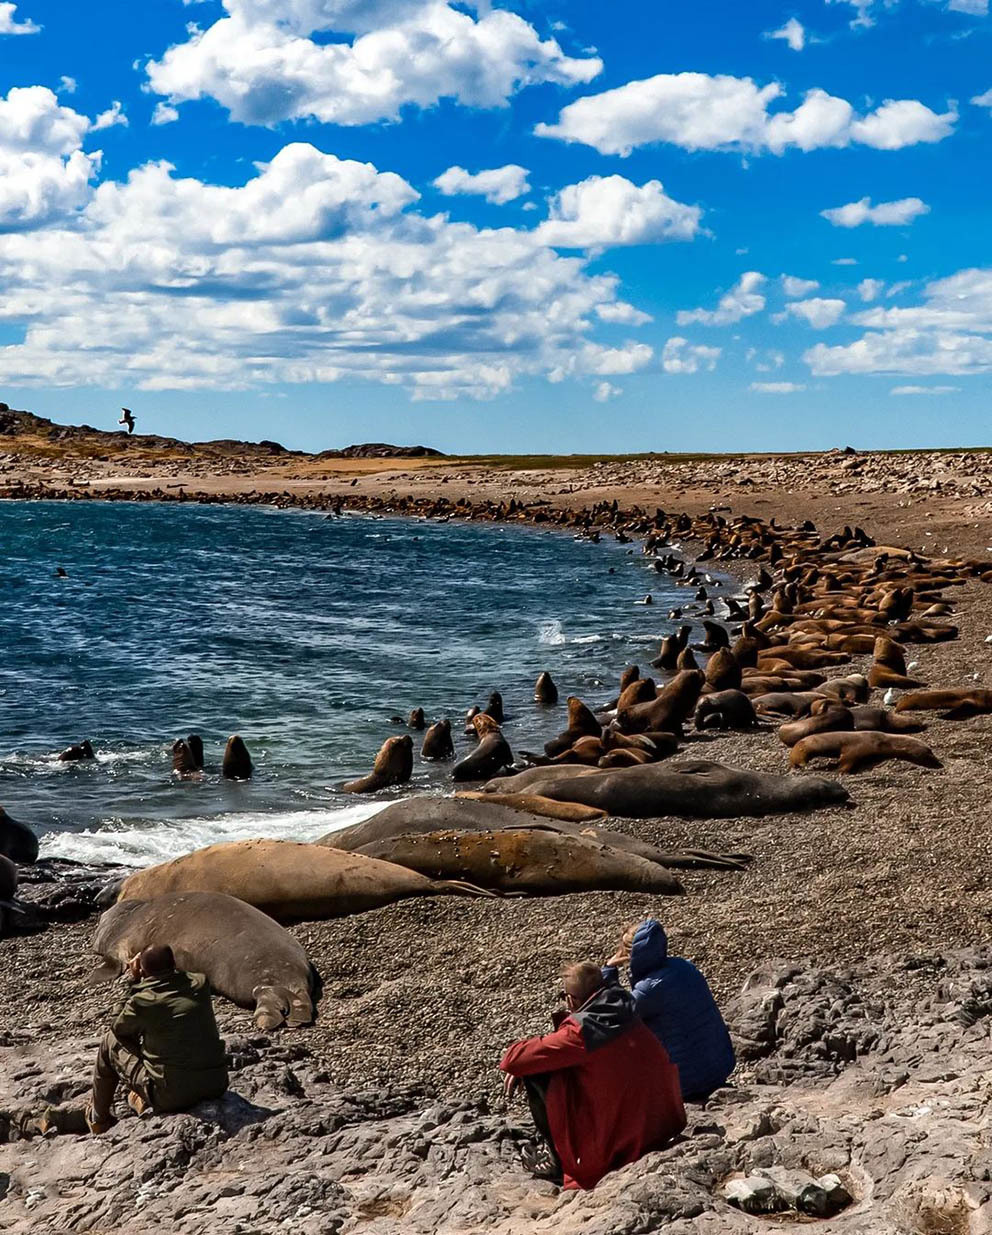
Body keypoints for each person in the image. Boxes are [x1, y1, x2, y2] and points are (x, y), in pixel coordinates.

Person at [500, 961, 686, 1190]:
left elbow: (513, 1059)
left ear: (571, 999)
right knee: (555, 1064)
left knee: (537, 1073)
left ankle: (558, 1162)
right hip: (665, 1121)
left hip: (627, 1142)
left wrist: (524, 1069)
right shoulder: (624, 1007)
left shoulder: (582, 1032)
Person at [86, 944, 229, 1134]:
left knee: (109, 1042)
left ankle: (98, 1119)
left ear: (144, 970)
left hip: (172, 1096)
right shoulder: (200, 983)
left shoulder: (143, 1002)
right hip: (215, 1083)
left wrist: (133, 982)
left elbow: (117, 1028)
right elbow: (178, 979)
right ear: (174, 963)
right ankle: (140, 1098)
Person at [603, 919, 735, 1102]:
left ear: (631, 955)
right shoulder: (683, 966)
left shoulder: (650, 989)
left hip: (687, 1083)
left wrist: (608, 972)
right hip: (720, 1065)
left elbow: (616, 1015)